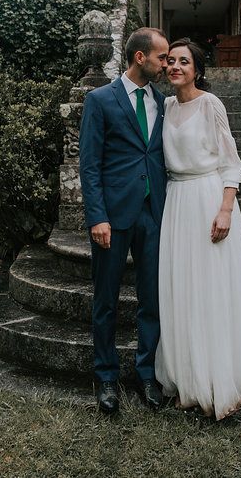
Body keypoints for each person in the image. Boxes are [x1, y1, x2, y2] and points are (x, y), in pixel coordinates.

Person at [155, 38, 241, 420]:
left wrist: (226, 210)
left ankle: (217, 377)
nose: (176, 67)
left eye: (184, 61)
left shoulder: (211, 104)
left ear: (197, 69)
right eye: (171, 61)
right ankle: (187, 375)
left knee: (212, 288)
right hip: (177, 202)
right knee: (181, 288)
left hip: (209, 198)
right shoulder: (163, 107)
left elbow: (231, 162)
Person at [79, 27, 169, 414]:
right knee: (106, 301)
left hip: (153, 214)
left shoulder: (163, 102)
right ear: (139, 57)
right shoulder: (100, 100)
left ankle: (146, 375)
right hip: (112, 218)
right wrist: (96, 216)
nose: (166, 64)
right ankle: (107, 378)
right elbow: (89, 164)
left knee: (152, 300)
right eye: (162, 57)